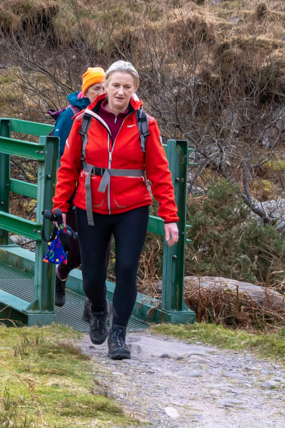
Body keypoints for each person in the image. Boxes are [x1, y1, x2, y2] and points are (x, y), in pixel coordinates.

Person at [50, 60, 179, 360]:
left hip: (132, 207)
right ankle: (98, 310)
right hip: (90, 206)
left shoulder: (146, 124)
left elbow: (160, 172)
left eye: (127, 86)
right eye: (115, 85)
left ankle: (118, 333)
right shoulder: (84, 121)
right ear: (105, 87)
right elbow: (68, 168)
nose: (120, 92)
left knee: (125, 270)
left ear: (135, 90)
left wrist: (170, 216)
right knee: (93, 276)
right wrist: (60, 207)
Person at [50, 67, 106, 308]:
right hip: (73, 191)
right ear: (86, 91)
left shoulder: (115, 115)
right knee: (66, 241)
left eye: (105, 87)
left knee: (100, 248)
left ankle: (94, 303)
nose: (101, 92)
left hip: (101, 194)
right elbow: (63, 157)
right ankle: (56, 277)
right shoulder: (71, 116)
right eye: (96, 88)